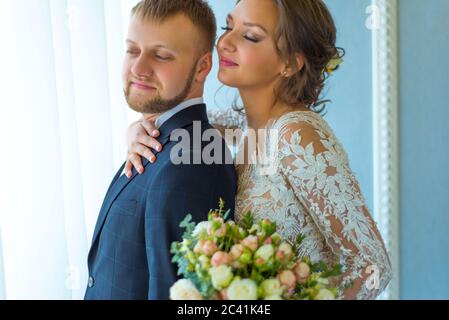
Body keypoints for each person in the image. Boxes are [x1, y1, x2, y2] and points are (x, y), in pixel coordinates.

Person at [125, 0, 392, 299]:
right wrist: (139, 130)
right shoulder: (239, 125)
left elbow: (373, 264)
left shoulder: (297, 136)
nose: (225, 42)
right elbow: (177, 123)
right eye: (228, 27)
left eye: (250, 36)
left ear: (290, 62)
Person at [85, 0, 236, 300]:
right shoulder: (156, 140)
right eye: (132, 50)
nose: (138, 68)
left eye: (161, 55)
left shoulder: (192, 162)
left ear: (202, 67)